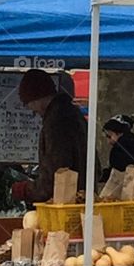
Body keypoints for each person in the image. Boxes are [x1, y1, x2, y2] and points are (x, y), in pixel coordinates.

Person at [17, 68, 92, 202]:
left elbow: (55, 173)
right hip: (83, 197)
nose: (32, 111)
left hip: (65, 202)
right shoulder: (76, 114)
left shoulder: (55, 122)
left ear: (37, 99)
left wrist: (26, 190)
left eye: (29, 104)